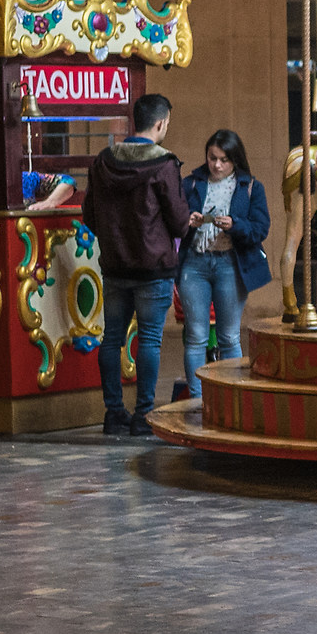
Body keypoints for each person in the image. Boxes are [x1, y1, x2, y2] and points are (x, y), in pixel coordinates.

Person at [84, 91, 186, 436]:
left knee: (111, 338)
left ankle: (113, 414)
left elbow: (89, 214)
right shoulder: (164, 163)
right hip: (153, 266)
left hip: (115, 265)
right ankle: (144, 415)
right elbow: (178, 220)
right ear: (161, 123)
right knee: (150, 340)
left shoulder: (102, 161)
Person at [172, 130, 273, 404]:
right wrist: (187, 221)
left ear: (235, 160)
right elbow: (173, 219)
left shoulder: (250, 186)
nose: (217, 165)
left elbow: (260, 228)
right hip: (195, 263)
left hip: (231, 263)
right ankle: (197, 399)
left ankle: (233, 397)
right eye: (212, 158)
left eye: (224, 160)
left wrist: (235, 225)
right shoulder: (191, 183)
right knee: (195, 336)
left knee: (229, 336)